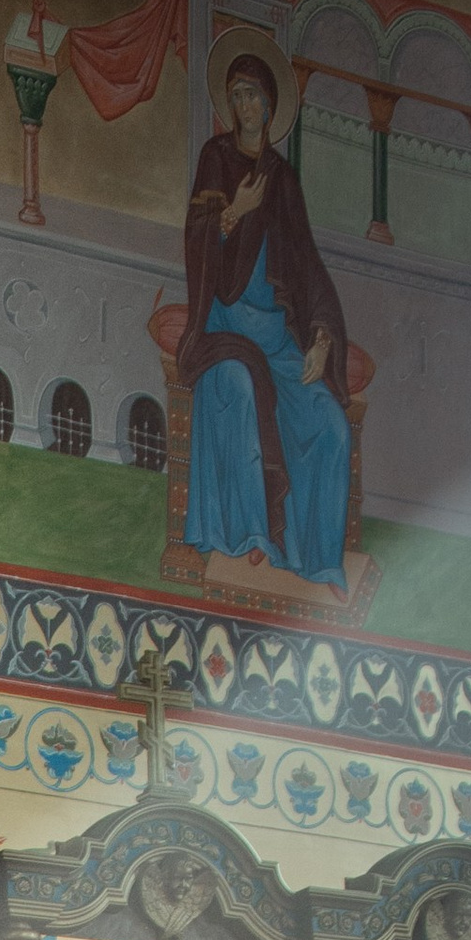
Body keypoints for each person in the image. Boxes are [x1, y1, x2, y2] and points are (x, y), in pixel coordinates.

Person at [182, 43, 353, 587]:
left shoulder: (283, 178)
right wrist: (238, 212)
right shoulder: (216, 157)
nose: (244, 105)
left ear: (270, 103)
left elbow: (307, 264)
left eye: (252, 94)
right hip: (225, 329)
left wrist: (322, 337)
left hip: (281, 343)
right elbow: (197, 241)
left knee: (331, 427)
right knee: (235, 382)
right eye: (235, 95)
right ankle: (251, 536)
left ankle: (319, 560)